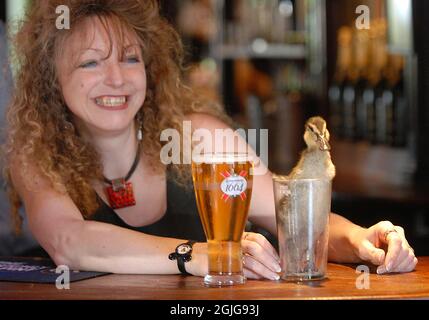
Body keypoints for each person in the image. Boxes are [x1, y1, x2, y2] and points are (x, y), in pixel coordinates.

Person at [4, 0, 417, 280]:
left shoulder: (197, 138)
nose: (116, 78)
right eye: (90, 62)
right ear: (52, 82)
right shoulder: (36, 154)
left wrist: (362, 240)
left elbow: (295, 219)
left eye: (130, 58)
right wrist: (201, 254)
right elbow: (69, 243)